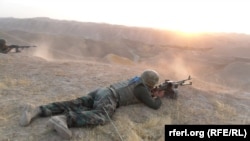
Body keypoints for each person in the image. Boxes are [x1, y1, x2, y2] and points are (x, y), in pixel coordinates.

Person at [19, 69, 166, 139]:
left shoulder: (136, 81)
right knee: (101, 116)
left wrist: (152, 93)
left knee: (75, 103)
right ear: (152, 83)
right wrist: (159, 96)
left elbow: (142, 93)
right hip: (110, 97)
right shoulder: (142, 89)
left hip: (102, 91)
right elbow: (155, 105)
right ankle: (64, 120)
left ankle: (37, 110)